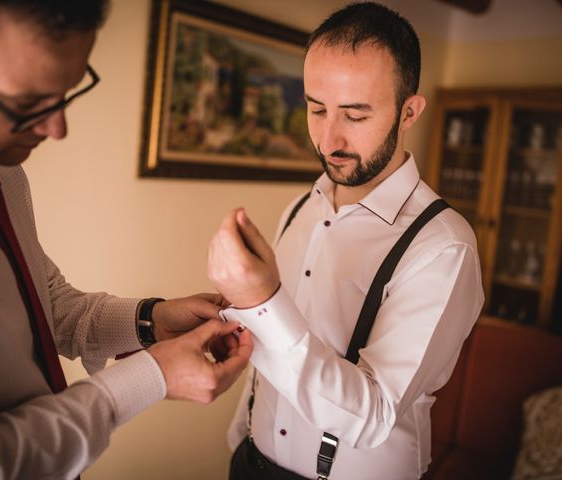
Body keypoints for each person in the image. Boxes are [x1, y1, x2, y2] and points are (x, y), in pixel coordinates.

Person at [0, 1, 252, 478]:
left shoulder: (1, 171)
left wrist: (150, 321)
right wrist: (150, 378)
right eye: (29, 103)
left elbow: (41, 303)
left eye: (66, 93)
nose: (56, 128)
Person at [207, 2, 484, 479]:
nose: (328, 138)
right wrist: (242, 437)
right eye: (316, 109)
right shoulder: (301, 208)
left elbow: (374, 415)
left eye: (355, 115)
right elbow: (270, 361)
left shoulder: (443, 246)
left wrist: (261, 301)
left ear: (409, 112)